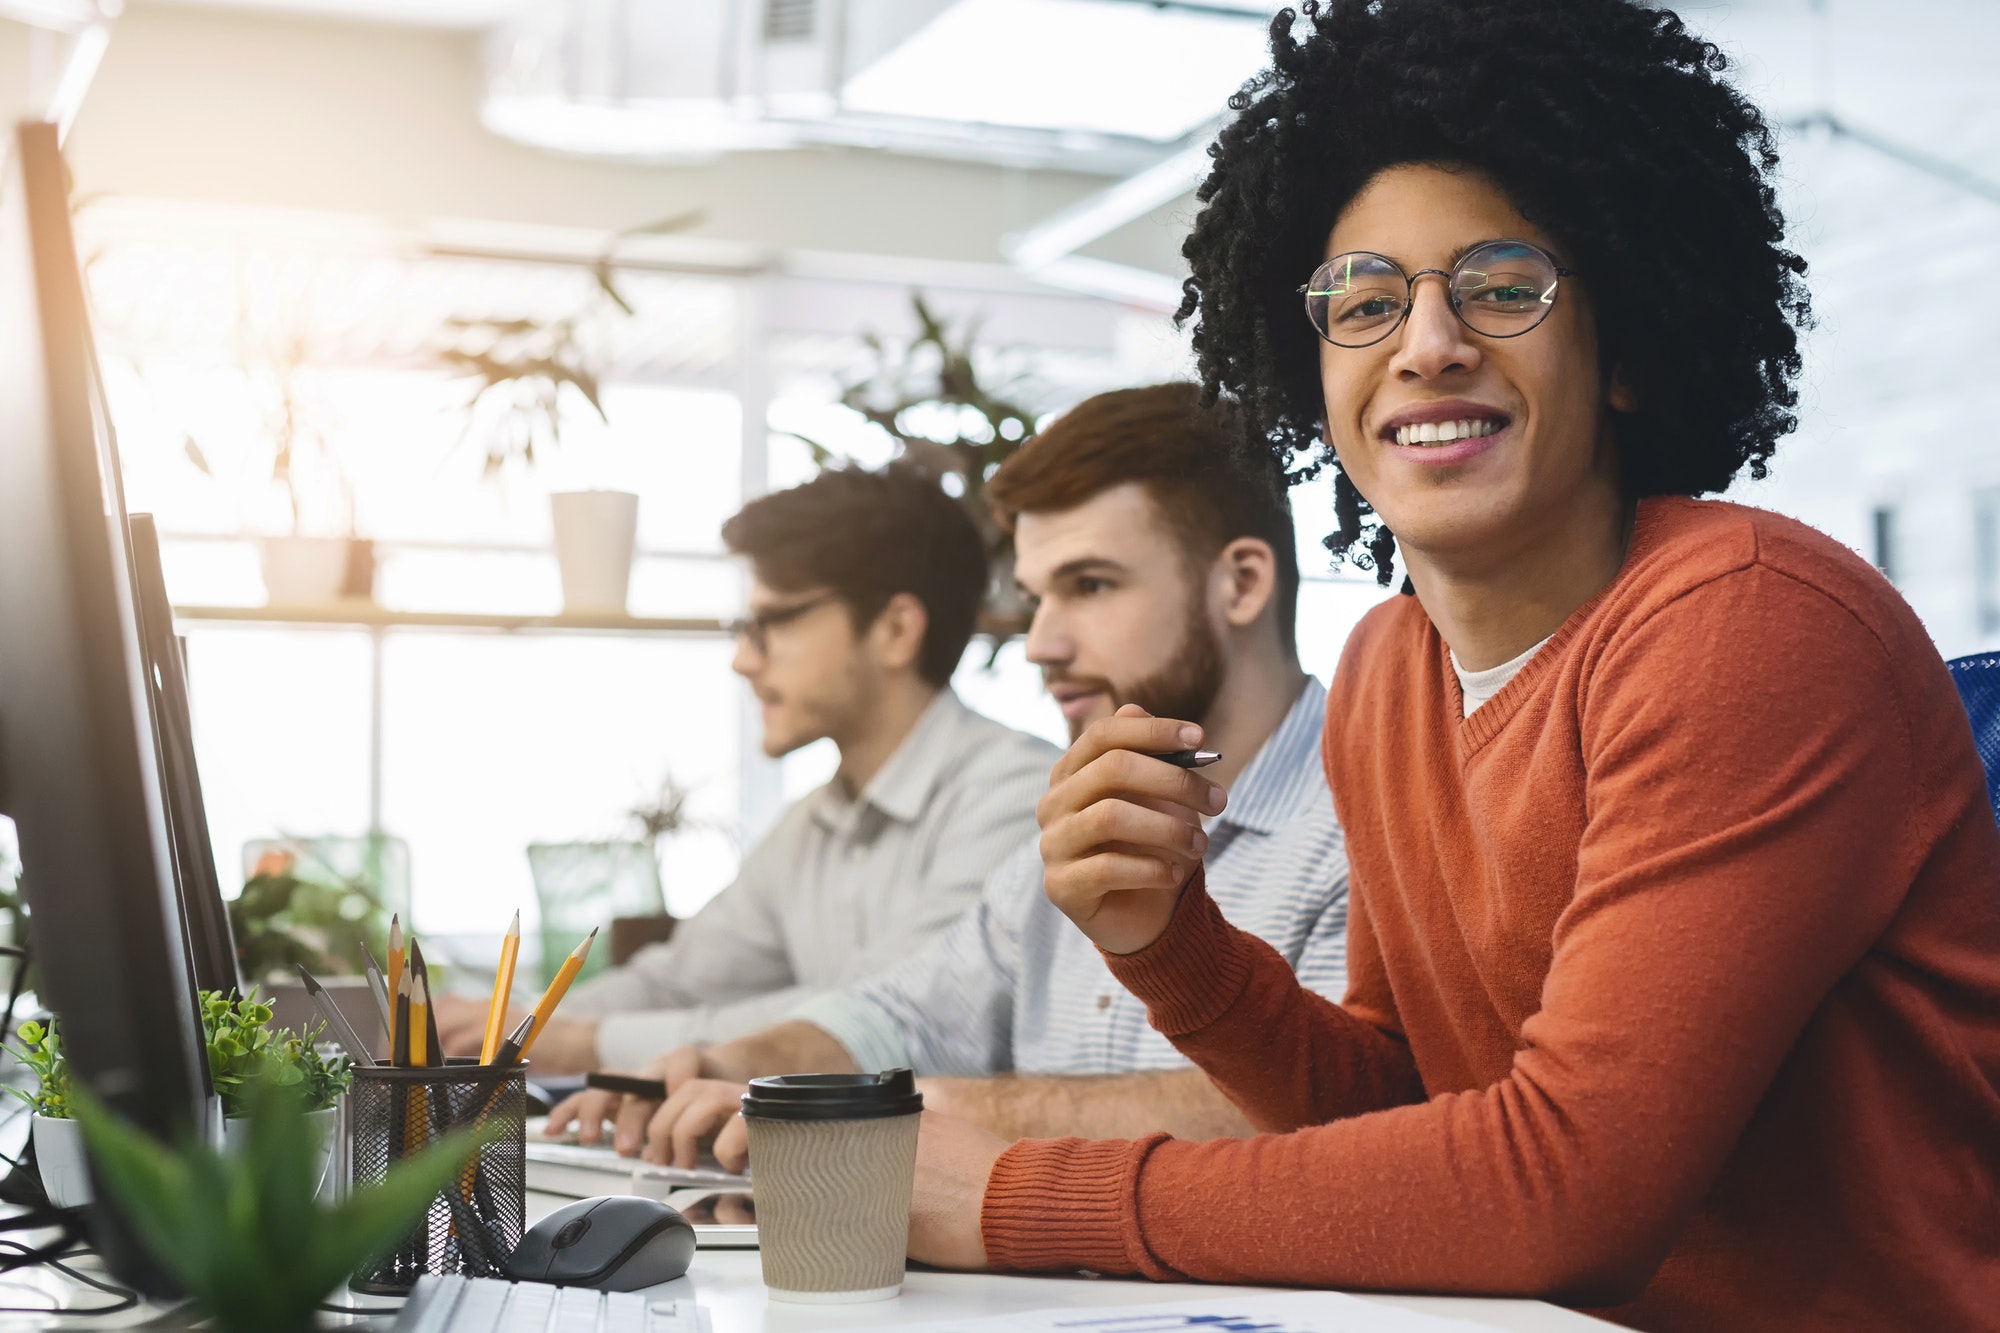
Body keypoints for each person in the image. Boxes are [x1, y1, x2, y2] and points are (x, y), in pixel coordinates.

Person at [899, 2, 2000, 1330]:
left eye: (1499, 288)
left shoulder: (1749, 624)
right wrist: (1175, 947)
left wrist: (1022, 1195)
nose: (1426, 341)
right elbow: (1414, 1107)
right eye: (1366, 301)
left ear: (1630, 349)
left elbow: (1563, 1184)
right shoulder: (1389, 670)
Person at [545, 382, 1349, 1162]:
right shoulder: (1068, 830)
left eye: (1090, 585)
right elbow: (896, 1017)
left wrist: (892, 1109)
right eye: (1036, 596)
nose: (1040, 643)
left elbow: (1327, 1110)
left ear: (1241, 583)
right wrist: (733, 1065)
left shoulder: (1370, 824)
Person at [437, 466, 1057, 1072]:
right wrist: (521, 1024)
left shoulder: (1019, 798)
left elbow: (879, 1017)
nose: (742, 660)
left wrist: (588, 1044)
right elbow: (680, 982)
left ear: (896, 629)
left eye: (772, 624)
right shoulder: (813, 823)